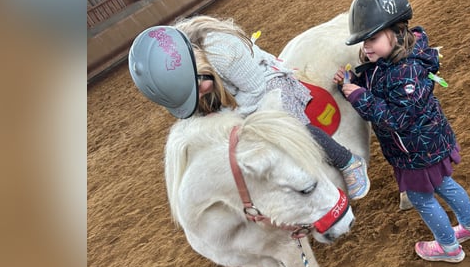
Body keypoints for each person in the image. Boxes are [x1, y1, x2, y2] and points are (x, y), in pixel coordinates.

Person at [127, 18, 370, 200]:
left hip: (267, 86)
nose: (197, 96)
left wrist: (232, 121)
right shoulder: (185, 79)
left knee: (292, 127)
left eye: (197, 88)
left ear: (200, 68)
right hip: (232, 100)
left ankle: (347, 160)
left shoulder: (222, 51)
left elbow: (256, 90)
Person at [333, 0, 470, 262]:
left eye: (372, 39)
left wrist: (359, 97)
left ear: (396, 33)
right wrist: (356, 83)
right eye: (363, 41)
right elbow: (379, 84)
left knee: (420, 198)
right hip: (430, 143)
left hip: (415, 151)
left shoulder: (404, 73)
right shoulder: (398, 60)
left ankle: (449, 248)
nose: (366, 46)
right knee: (445, 183)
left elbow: (396, 119)